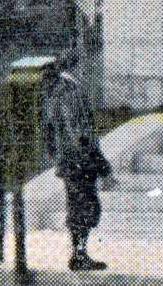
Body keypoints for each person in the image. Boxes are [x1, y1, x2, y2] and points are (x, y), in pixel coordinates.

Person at [39, 50, 114, 272]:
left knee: (77, 207)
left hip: (68, 160)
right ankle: (79, 255)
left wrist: (57, 157)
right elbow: (80, 133)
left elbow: (49, 132)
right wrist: (101, 164)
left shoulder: (54, 93)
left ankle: (79, 253)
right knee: (86, 208)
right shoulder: (71, 92)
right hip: (79, 160)